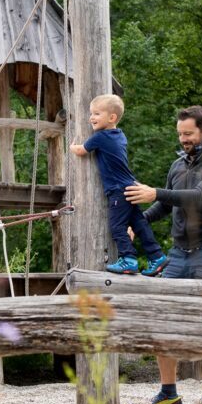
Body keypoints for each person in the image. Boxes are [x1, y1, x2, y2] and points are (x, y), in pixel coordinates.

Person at [124, 105, 202, 404]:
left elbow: (198, 196)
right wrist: (139, 223)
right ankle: (168, 394)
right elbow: (165, 205)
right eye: (180, 134)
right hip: (177, 254)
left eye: (188, 134)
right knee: (161, 320)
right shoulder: (177, 165)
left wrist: (155, 192)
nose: (184, 139)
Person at [70, 94, 168, 276]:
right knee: (139, 223)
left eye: (97, 113)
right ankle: (156, 256)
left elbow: (81, 150)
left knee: (117, 226)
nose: (91, 117)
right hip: (129, 186)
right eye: (91, 113)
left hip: (118, 190)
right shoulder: (120, 135)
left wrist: (71, 145)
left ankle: (128, 258)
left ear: (112, 117)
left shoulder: (101, 137)